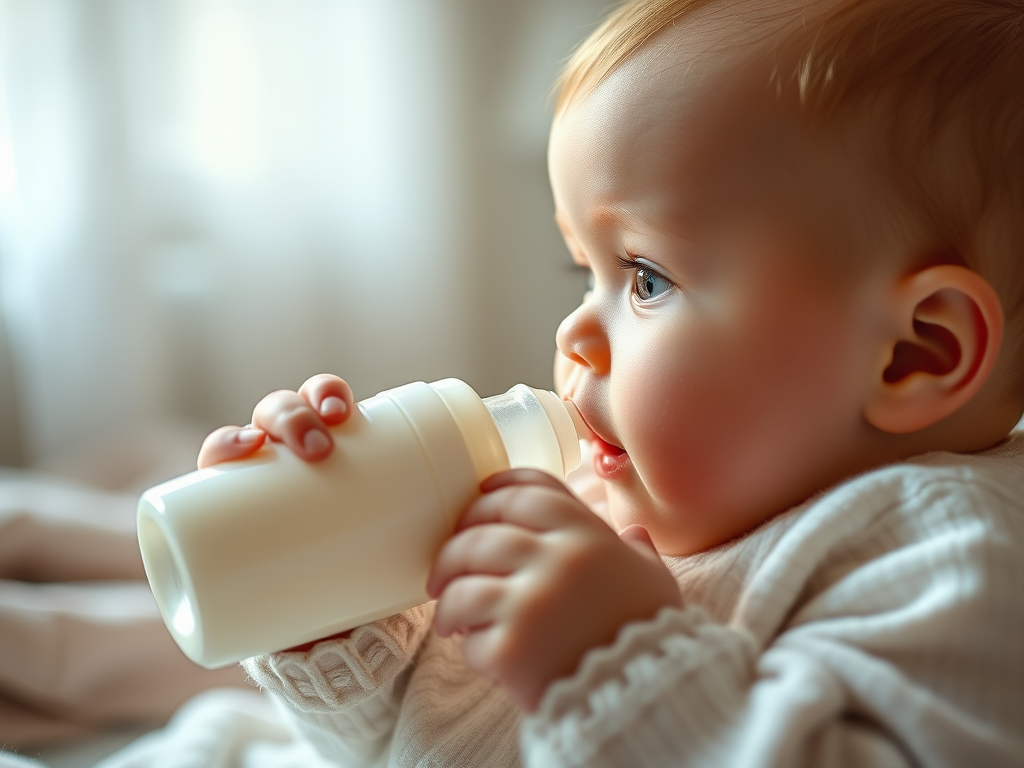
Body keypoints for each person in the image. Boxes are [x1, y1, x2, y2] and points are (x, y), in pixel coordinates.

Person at [197, 0, 1024, 765]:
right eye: (581, 269)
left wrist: (614, 665)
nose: (573, 335)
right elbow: (414, 748)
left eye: (646, 277)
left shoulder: (951, 559)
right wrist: (335, 602)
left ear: (916, 352)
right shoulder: (599, 496)